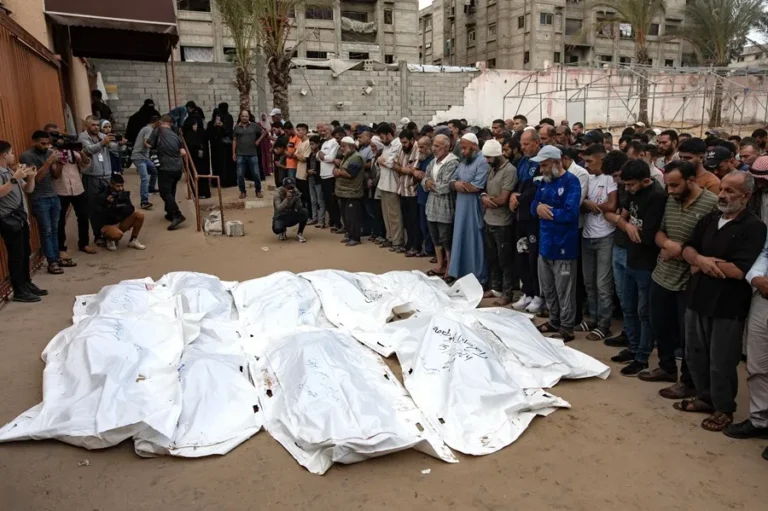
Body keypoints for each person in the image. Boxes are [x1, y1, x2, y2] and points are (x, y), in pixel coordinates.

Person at [674, 171, 766, 432]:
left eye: (730, 191)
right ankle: (705, 398)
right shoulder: (711, 218)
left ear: (746, 196)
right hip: (698, 297)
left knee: (721, 360)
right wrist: (702, 261)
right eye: (722, 189)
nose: (723, 195)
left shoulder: (753, 227)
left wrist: (699, 263)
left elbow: (739, 270)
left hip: (727, 305)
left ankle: (724, 408)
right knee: (695, 353)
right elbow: (688, 249)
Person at [640, 160, 718, 397]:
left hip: (690, 282)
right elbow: (659, 231)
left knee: (688, 336)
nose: (670, 191)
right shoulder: (671, 201)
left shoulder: (711, 205)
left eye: (675, 185)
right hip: (663, 275)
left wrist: (681, 251)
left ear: (691, 181)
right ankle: (665, 367)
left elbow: (713, 244)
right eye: (667, 186)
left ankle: (688, 381)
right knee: (661, 325)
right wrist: (667, 243)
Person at [606, 159, 667, 376]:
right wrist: (625, 224)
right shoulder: (631, 191)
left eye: (631, 185)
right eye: (625, 185)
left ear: (646, 180)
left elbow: (647, 236)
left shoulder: (657, 197)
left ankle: (642, 356)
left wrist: (623, 223)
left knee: (644, 312)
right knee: (628, 307)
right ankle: (632, 347)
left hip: (647, 263)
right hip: (630, 256)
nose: (627, 189)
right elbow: (620, 218)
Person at [531, 145, 582, 342]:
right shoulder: (544, 182)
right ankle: (553, 320)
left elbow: (571, 213)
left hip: (564, 246)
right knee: (548, 288)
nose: (541, 170)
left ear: (556, 162)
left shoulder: (571, 182)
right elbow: (533, 205)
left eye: (544, 165)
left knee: (565, 290)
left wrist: (548, 212)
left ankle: (567, 327)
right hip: (545, 245)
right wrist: (538, 207)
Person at [726, 220, 768, 442]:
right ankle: (760, 420)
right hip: (764, 295)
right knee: (757, 365)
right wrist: (756, 277)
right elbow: (765, 252)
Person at [580, 144, 619, 340]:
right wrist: (587, 204)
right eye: (585, 162)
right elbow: (581, 202)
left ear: (601, 160)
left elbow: (612, 205)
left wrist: (591, 205)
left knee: (603, 284)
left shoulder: (610, 179)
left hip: (605, 236)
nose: (587, 166)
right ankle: (592, 317)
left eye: (590, 161)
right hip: (587, 236)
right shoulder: (587, 178)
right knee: (589, 282)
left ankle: (605, 323)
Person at [0, 140, 47, 302]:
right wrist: (14, 178)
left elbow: (29, 189)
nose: (14, 156)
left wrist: (31, 177)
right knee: (16, 256)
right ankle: (19, 290)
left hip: (21, 219)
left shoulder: (9, 171)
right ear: (4, 155)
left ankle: (27, 284)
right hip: (9, 220)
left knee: (24, 253)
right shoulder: (4, 173)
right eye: (11, 153)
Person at [46, 125, 97, 262]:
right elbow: (55, 175)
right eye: (52, 135)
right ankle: (61, 249)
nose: (57, 138)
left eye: (58, 135)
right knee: (60, 220)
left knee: (83, 216)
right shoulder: (50, 152)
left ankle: (84, 243)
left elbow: (86, 164)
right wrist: (60, 160)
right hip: (61, 190)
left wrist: (81, 152)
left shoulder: (71, 150)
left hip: (77, 188)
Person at [20, 131, 64, 274]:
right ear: (34, 142)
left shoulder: (49, 153)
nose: (46, 146)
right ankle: (52, 261)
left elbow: (56, 176)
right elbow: (35, 179)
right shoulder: (27, 156)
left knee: (55, 229)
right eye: (42, 143)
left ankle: (56, 258)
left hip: (53, 196)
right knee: (46, 231)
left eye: (47, 143)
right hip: (39, 198)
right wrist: (48, 162)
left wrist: (60, 163)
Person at [510, 129, 544, 313]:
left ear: (537, 142)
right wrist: (514, 195)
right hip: (520, 215)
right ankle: (528, 292)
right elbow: (518, 183)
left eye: (526, 144)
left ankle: (539, 295)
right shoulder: (523, 161)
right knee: (521, 253)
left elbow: (535, 188)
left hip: (533, 216)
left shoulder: (541, 161)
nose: (523, 148)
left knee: (533, 257)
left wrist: (520, 197)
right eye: (521, 144)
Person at [448, 133, 489, 284]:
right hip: (461, 207)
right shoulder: (464, 161)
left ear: (474, 146)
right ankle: (461, 274)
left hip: (474, 206)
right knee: (460, 238)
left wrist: (459, 185)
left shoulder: (482, 161)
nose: (463, 151)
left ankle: (478, 277)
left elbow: (477, 186)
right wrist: (455, 184)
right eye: (462, 148)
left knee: (474, 241)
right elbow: (452, 180)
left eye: (465, 148)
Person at [480, 139, 517, 306]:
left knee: (505, 261)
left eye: (489, 157)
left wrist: (488, 199)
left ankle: (507, 293)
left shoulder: (509, 170)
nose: (487, 161)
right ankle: (496, 288)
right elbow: (484, 192)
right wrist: (484, 197)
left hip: (502, 222)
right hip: (489, 219)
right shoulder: (491, 169)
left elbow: (503, 198)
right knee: (493, 258)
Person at [79, 115, 118, 246]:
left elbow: (113, 147)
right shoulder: (83, 137)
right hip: (92, 177)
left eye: (97, 125)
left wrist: (117, 141)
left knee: (108, 205)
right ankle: (98, 235)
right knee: (94, 207)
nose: (95, 127)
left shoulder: (102, 135)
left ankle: (109, 233)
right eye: (93, 125)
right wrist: (103, 143)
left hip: (106, 175)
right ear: (86, 125)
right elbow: (88, 149)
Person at [424, 134, 459, 277]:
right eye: (434, 145)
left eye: (437, 146)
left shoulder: (453, 162)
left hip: (445, 205)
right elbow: (425, 178)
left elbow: (446, 185)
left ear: (446, 147)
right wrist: (426, 183)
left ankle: (449, 268)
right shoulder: (433, 162)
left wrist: (432, 184)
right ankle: (440, 264)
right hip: (431, 204)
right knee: (435, 237)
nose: (434, 148)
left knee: (446, 238)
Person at [148, 115, 187, 230]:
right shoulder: (176, 135)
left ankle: (177, 214)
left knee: (164, 192)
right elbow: (183, 152)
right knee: (171, 191)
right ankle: (170, 213)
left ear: (160, 122)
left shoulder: (158, 130)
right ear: (170, 123)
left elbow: (149, 144)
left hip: (165, 168)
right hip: (177, 168)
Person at [375, 123, 404, 249]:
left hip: (393, 184)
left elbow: (391, 163)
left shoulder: (397, 145)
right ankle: (390, 237)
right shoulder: (387, 146)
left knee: (394, 215)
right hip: (383, 183)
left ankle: (397, 240)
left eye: (382, 137)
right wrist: (381, 161)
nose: (381, 140)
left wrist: (381, 161)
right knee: (386, 214)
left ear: (388, 134)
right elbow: (379, 161)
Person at [99, 174, 145, 251]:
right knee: (118, 235)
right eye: (117, 186)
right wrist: (108, 203)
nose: (120, 188)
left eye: (122, 186)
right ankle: (109, 239)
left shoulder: (123, 194)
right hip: (108, 225)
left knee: (139, 215)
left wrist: (121, 205)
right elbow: (101, 215)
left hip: (120, 222)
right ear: (111, 185)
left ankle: (133, 240)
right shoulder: (104, 195)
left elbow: (131, 209)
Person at [394, 130, 422, 256]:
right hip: (402, 190)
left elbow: (414, 170)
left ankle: (416, 246)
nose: (403, 145)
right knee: (406, 220)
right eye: (401, 142)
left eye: (405, 142)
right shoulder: (401, 149)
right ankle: (409, 243)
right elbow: (394, 164)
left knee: (414, 220)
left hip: (413, 191)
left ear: (411, 140)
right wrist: (404, 169)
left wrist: (401, 169)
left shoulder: (417, 149)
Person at [334, 137, 365, 246]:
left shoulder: (356, 158)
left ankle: (356, 238)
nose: (341, 149)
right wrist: (337, 170)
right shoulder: (347, 157)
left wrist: (338, 171)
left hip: (353, 192)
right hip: (343, 192)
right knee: (347, 217)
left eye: (343, 146)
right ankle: (350, 235)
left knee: (353, 217)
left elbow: (350, 174)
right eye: (341, 146)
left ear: (351, 147)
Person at [233, 109, 264, 199]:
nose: (244, 118)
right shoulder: (236, 127)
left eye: (246, 116)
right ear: (240, 117)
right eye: (243, 116)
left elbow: (264, 132)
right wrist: (233, 153)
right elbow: (234, 140)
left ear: (249, 117)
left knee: (256, 173)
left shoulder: (254, 126)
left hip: (252, 154)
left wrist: (258, 140)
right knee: (240, 174)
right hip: (240, 154)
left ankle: (258, 190)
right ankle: (242, 191)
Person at [319, 125, 344, 231]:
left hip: (331, 174)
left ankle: (337, 223)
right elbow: (317, 155)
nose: (323, 133)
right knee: (327, 201)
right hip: (323, 174)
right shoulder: (324, 143)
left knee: (333, 201)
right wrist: (323, 156)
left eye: (325, 131)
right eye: (322, 131)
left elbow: (332, 157)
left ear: (330, 131)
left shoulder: (334, 142)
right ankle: (333, 221)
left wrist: (323, 156)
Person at [131, 115, 160, 209]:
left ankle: (151, 188)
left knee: (154, 171)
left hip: (145, 157)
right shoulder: (148, 129)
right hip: (139, 157)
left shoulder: (146, 128)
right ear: (156, 122)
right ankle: (144, 201)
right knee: (144, 178)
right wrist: (157, 148)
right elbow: (146, 143)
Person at [414, 136, 435, 257]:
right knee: (423, 225)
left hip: (430, 197)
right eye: (418, 147)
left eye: (422, 147)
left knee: (430, 226)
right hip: (421, 196)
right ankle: (427, 248)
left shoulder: (432, 160)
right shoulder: (421, 159)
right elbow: (415, 171)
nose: (419, 150)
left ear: (429, 147)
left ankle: (431, 250)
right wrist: (415, 172)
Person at [183, 112, 211, 199]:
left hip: (198, 160)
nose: (196, 126)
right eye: (194, 125)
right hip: (197, 160)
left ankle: (200, 192)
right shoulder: (190, 135)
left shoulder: (191, 134)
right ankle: (199, 193)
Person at [272, 177, 308, 242]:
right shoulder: (278, 193)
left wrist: (297, 199)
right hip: (280, 216)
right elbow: (278, 209)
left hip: (290, 214)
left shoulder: (296, 191)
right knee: (277, 229)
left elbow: (300, 207)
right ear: (284, 187)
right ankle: (282, 231)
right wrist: (287, 199)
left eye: (292, 187)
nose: (291, 190)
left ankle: (299, 233)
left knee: (304, 212)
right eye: (288, 188)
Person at [307, 135, 326, 227]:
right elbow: (308, 166)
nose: (311, 146)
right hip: (311, 180)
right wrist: (308, 171)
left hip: (318, 180)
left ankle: (321, 220)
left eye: (313, 144)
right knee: (313, 200)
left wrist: (314, 172)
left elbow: (322, 168)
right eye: (310, 144)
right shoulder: (311, 154)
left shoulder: (320, 154)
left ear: (318, 144)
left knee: (320, 201)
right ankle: (315, 218)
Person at [294, 123, 312, 215]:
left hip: (304, 174)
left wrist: (298, 155)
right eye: (297, 130)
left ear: (305, 131)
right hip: (298, 173)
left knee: (306, 195)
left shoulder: (308, 143)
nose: (298, 132)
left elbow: (304, 158)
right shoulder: (300, 142)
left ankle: (309, 214)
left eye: (299, 130)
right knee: (300, 195)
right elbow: (295, 154)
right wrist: (298, 155)